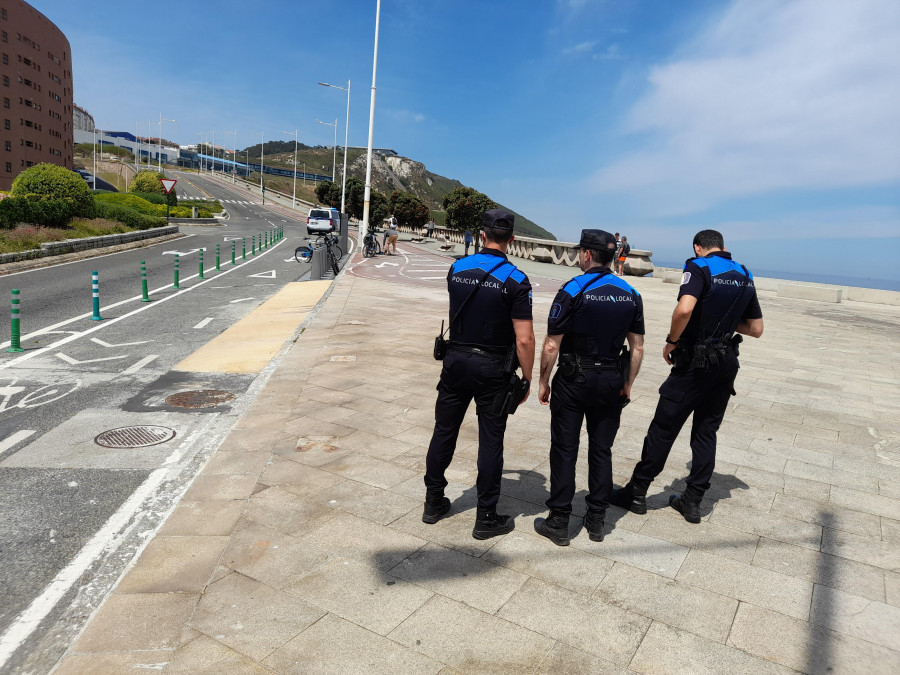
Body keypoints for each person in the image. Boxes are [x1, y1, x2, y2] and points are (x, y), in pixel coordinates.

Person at [611, 229, 764, 523]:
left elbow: (684, 309)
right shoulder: (745, 274)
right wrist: (726, 324)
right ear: (723, 247)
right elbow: (756, 329)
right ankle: (692, 501)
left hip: (695, 361)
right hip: (726, 363)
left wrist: (672, 340)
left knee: (664, 428)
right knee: (706, 431)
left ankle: (637, 492)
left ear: (698, 247)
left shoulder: (698, 266)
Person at [423, 209, 535, 539]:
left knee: (444, 431)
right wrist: (527, 378)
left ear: (482, 234)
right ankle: (486, 517)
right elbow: (525, 338)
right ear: (511, 239)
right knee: (490, 441)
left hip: (456, 362)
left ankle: (433, 502)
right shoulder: (516, 280)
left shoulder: (456, 269)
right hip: (494, 369)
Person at [534, 229, 645, 546]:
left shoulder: (573, 289)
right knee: (601, 450)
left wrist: (543, 380)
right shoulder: (629, 294)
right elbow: (636, 348)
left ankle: (558, 521)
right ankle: (597, 520)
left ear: (586, 254)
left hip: (573, 379)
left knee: (565, 449)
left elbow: (552, 345)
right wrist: (627, 384)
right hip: (611, 379)